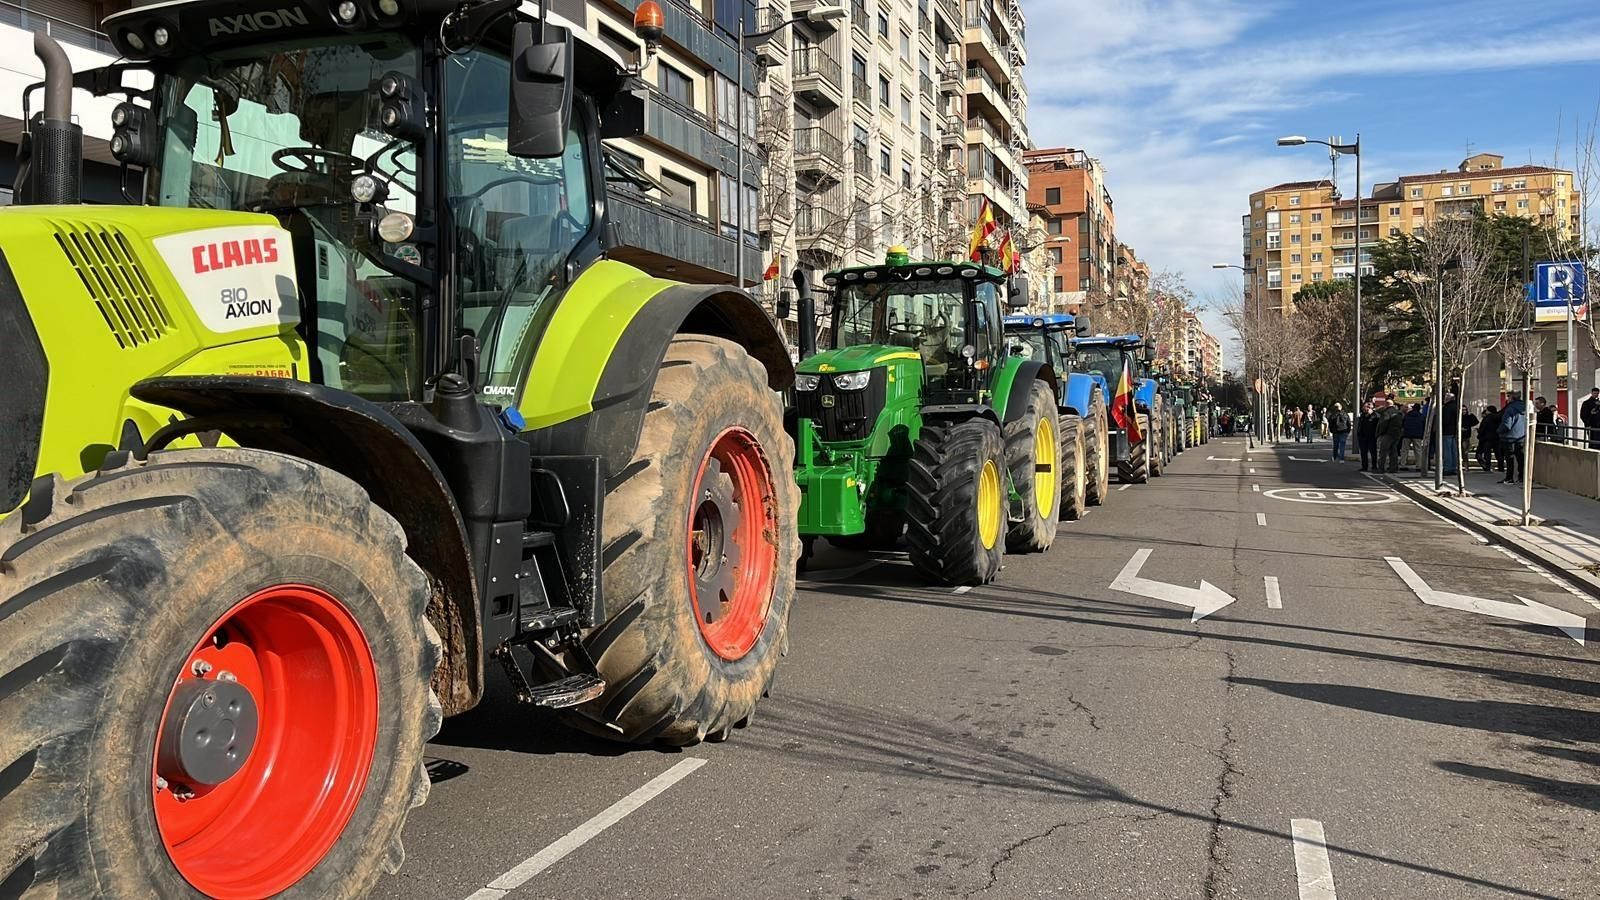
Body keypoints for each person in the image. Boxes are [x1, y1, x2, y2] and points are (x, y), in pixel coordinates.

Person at [1500, 393, 1528, 484]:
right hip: (1521, 436)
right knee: (1520, 457)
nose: (1507, 399)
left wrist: (1499, 431)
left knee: (1510, 458)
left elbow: (1507, 424)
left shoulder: (1510, 409)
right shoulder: (1525, 407)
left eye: (1508, 397)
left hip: (1509, 437)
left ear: (1511, 398)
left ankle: (1509, 478)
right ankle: (1522, 477)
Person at [1376, 394, 1405, 473]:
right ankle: (1393, 468)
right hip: (1396, 434)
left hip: (1387, 434)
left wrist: (1379, 433)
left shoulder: (1386, 412)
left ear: (1386, 404)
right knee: (1393, 451)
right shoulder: (1398, 413)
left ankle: (1381, 468)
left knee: (1383, 452)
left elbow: (1383, 424)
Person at [1476, 405, 1501, 472]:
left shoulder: (1487, 418)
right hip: (1497, 438)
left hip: (1487, 438)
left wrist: (1479, 434)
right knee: (1498, 453)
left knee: (1487, 454)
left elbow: (1483, 428)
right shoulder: (1499, 418)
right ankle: (1501, 467)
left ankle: (1487, 467)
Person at [1401, 403, 1426, 470]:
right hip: (1417, 435)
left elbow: (1402, 424)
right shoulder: (1421, 416)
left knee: (1404, 450)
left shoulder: (1407, 415)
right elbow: (1424, 426)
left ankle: (1403, 464)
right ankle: (1419, 465)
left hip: (1407, 434)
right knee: (1418, 450)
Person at [1357, 401, 1379, 471]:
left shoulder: (1375, 416)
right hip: (1363, 437)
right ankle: (1364, 466)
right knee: (1363, 452)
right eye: (1364, 408)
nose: (1364, 409)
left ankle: (1374, 466)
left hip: (1372, 437)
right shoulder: (1362, 415)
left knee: (1373, 452)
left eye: (1366, 407)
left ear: (1370, 408)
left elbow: (1378, 425)